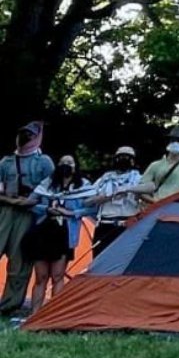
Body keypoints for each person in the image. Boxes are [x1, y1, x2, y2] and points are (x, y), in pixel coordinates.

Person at [23, 154, 94, 313]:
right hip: (43, 231)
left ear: (75, 166)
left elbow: (92, 208)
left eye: (70, 162)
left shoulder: (83, 185)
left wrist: (72, 213)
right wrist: (46, 209)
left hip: (65, 233)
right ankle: (35, 314)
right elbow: (31, 203)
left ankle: (54, 315)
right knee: (41, 276)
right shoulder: (47, 184)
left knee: (57, 276)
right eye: (62, 162)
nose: (66, 165)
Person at [0, 121, 54, 316]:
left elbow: (51, 189)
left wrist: (32, 202)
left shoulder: (44, 162)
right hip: (6, 210)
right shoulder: (5, 162)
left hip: (30, 214)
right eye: (23, 134)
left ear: (37, 138)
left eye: (30, 135)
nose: (25, 138)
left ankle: (8, 305)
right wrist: (11, 199)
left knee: (19, 262)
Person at [86, 146, 148, 258]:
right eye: (121, 156)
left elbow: (150, 198)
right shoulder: (104, 179)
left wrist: (131, 190)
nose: (124, 159)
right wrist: (108, 196)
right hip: (106, 225)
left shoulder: (140, 179)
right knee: (101, 261)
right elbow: (87, 201)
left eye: (128, 157)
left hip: (129, 224)